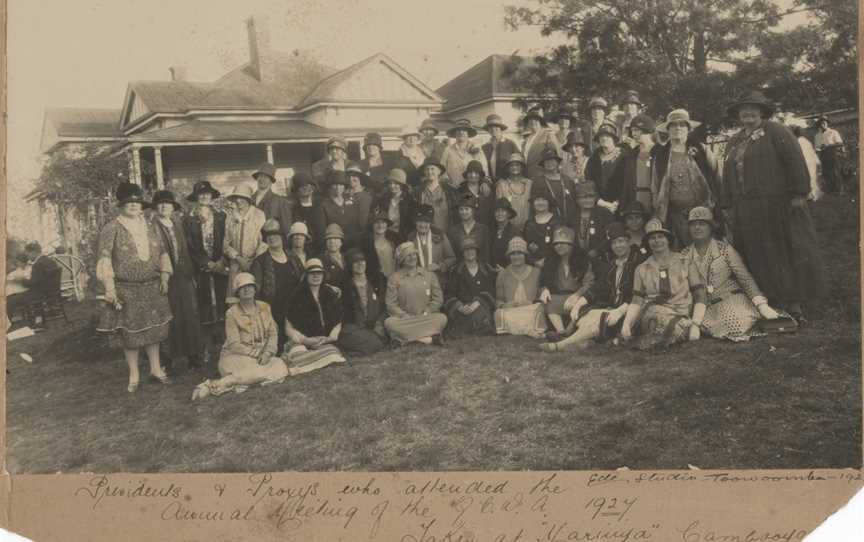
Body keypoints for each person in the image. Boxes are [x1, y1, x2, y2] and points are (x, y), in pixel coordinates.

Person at [722, 90, 825, 321]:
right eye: (743, 109)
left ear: (762, 112)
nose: (747, 112)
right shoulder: (735, 140)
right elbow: (727, 173)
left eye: (753, 108)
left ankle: (792, 302)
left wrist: (799, 193)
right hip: (746, 207)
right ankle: (765, 299)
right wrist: (727, 202)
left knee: (781, 251)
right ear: (738, 114)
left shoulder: (777, 132)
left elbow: (795, 161)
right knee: (755, 251)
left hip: (776, 204)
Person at [96, 182, 173, 393]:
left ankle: (156, 370)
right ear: (121, 206)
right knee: (130, 334)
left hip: (152, 286)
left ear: (142, 205)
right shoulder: (111, 228)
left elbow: (163, 252)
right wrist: (110, 289)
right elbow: (104, 259)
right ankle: (134, 375)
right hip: (126, 289)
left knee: (154, 330)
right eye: (129, 203)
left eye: (137, 202)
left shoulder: (149, 226)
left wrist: (165, 276)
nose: (133, 206)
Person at [538, 221, 643, 352]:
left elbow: (637, 295)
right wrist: (579, 303)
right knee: (587, 316)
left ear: (628, 242)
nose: (618, 246)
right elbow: (599, 287)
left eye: (621, 241)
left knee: (598, 321)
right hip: (611, 307)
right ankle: (580, 341)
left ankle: (560, 345)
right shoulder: (612, 265)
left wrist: (620, 310)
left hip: (630, 310)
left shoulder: (638, 264)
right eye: (614, 243)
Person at [681, 207, 781, 341]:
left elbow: (744, 277)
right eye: (693, 224)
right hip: (704, 305)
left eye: (702, 224)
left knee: (733, 323)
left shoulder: (724, 249)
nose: (697, 228)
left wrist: (761, 305)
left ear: (711, 227)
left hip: (730, 297)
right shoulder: (685, 254)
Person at [190, 273, 289, 400]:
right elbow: (234, 344)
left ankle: (229, 382)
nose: (247, 290)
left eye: (249, 286)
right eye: (242, 287)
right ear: (237, 292)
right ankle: (219, 383)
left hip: (262, 356)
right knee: (259, 369)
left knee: (280, 366)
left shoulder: (265, 307)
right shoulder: (231, 313)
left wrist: (268, 353)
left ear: (255, 289)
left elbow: (273, 334)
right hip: (237, 356)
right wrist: (258, 354)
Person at [618, 218, 707, 351]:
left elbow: (700, 294)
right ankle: (660, 337)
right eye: (652, 238)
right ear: (648, 242)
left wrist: (696, 324)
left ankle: (649, 340)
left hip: (682, 312)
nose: (657, 241)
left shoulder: (685, 261)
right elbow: (637, 300)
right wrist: (626, 324)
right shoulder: (642, 268)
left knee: (680, 328)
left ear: (668, 240)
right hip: (652, 312)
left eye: (661, 237)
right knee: (659, 318)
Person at [651, 109, 719, 249]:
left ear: (688, 129)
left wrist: (719, 206)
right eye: (673, 125)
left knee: (705, 250)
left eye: (682, 125)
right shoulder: (661, 155)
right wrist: (658, 213)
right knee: (681, 253)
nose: (678, 128)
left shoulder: (701, 149)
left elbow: (717, 175)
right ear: (668, 129)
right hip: (676, 216)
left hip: (703, 212)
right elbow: (655, 186)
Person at [152, 190, 203, 370]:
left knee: (189, 314)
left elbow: (187, 250)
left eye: (168, 203)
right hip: (164, 278)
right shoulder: (151, 226)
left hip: (183, 276)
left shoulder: (177, 224)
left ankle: (193, 355)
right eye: (160, 203)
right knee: (168, 317)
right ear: (155, 207)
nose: (164, 206)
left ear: (173, 207)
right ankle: (166, 361)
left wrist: (191, 274)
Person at [185, 181, 229, 362]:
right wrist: (206, 263)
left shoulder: (221, 216)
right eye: (201, 194)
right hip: (201, 269)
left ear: (212, 196)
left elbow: (228, 239)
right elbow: (190, 246)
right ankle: (206, 347)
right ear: (196, 197)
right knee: (203, 305)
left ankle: (224, 346)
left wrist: (221, 262)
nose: (204, 197)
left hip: (221, 266)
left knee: (222, 303)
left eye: (207, 194)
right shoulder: (188, 219)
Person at [283, 259, 347, 373]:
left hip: (324, 340)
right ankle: (309, 359)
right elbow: (289, 327)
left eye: (319, 273)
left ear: (323, 275)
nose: (316, 276)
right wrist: (306, 340)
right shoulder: (296, 295)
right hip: (303, 340)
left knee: (333, 353)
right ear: (306, 276)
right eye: (312, 273)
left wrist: (330, 337)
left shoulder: (329, 293)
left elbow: (338, 320)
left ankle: (310, 360)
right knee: (297, 351)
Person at [384, 242, 448, 346]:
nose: (412, 258)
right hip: (405, 320)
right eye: (408, 256)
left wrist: (428, 310)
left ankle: (405, 340)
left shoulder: (429, 275)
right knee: (389, 323)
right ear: (402, 260)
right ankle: (428, 339)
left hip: (426, 317)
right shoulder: (394, 278)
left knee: (442, 318)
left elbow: (438, 299)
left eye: (413, 254)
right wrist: (403, 315)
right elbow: (391, 304)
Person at [538, 226, 595, 339]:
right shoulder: (550, 261)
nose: (559, 246)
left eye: (564, 243)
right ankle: (561, 332)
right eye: (557, 243)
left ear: (572, 245)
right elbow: (543, 279)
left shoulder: (583, 261)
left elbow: (589, 283)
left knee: (583, 305)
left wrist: (577, 295)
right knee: (548, 302)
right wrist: (544, 289)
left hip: (577, 297)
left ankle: (568, 332)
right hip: (560, 297)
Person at [250, 219, 297, 352]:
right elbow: (257, 292)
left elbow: (304, 280)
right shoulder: (260, 261)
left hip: (294, 307)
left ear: (282, 238)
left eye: (275, 235)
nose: (272, 238)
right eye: (269, 236)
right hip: (273, 310)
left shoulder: (293, 257)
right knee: (279, 347)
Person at [443, 238, 497, 338]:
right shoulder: (455, 271)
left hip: (480, 306)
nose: (469, 252)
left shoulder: (486, 269)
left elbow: (491, 291)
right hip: (463, 308)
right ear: (462, 253)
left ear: (476, 251)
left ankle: (474, 328)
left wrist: (477, 302)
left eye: (472, 249)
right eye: (466, 250)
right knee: (463, 317)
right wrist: (460, 306)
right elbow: (449, 294)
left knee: (480, 314)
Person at [493, 236, 547, 338]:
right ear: (509, 256)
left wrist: (530, 303)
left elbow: (542, 297)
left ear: (525, 255)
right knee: (498, 314)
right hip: (511, 311)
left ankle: (517, 330)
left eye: (519, 253)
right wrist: (505, 305)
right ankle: (528, 330)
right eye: (513, 254)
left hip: (530, 309)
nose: (516, 256)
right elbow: (498, 300)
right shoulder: (503, 274)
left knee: (539, 309)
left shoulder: (536, 272)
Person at [339, 248, 388, 356]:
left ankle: (354, 349)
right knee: (376, 343)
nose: (360, 264)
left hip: (375, 326)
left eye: (362, 260)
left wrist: (379, 323)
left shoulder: (376, 282)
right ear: (350, 266)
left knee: (378, 341)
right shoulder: (345, 286)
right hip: (354, 328)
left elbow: (384, 307)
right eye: (355, 262)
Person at [223, 184, 267, 301]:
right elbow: (225, 243)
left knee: (254, 296)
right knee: (235, 297)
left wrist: (253, 260)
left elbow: (263, 241)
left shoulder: (259, 215)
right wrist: (238, 258)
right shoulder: (230, 217)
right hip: (236, 263)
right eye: (236, 197)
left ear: (248, 199)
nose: (238, 200)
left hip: (254, 263)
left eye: (242, 197)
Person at [611, 114, 657, 214]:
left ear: (647, 130)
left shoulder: (660, 152)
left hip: (656, 200)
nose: (633, 133)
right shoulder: (630, 155)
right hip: (634, 200)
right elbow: (622, 183)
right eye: (632, 130)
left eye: (637, 130)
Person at [408, 204, 456, 283]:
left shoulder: (440, 236)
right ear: (415, 222)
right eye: (420, 221)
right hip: (417, 282)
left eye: (426, 221)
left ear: (430, 223)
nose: (423, 225)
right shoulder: (410, 239)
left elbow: (452, 258)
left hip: (438, 280)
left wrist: (439, 266)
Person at [585, 122, 626, 212]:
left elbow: (628, 182)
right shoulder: (593, 159)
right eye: (601, 136)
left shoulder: (624, 156)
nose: (604, 138)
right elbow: (589, 183)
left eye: (607, 136)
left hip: (620, 205)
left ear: (614, 139)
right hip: (599, 205)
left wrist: (616, 203)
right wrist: (602, 203)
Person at [413, 156, 459, 233]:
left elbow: (456, 214)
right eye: (427, 169)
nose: (429, 172)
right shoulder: (417, 192)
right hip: (424, 235)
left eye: (432, 169)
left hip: (445, 236)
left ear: (439, 171)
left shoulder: (450, 191)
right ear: (424, 172)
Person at [534, 148, 579, 226]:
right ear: (543, 164)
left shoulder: (567, 180)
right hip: (549, 222)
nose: (550, 163)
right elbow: (535, 204)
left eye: (552, 160)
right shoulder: (538, 182)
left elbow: (574, 200)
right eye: (547, 161)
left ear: (558, 162)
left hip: (570, 221)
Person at [320, 170, 365, 247]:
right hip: (335, 246)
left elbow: (357, 226)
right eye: (335, 185)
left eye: (341, 185)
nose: (338, 188)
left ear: (344, 187)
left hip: (353, 245)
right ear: (330, 187)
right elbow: (322, 231)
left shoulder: (351, 202)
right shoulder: (324, 205)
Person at [571, 181, 614, 259]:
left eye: (591, 196)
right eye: (583, 197)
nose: (588, 200)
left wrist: (597, 251)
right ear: (576, 199)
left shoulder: (605, 214)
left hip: (601, 258)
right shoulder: (572, 216)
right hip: (577, 259)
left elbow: (611, 236)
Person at [440, 119, 488, 187]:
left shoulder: (477, 149)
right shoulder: (448, 150)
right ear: (455, 133)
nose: (461, 132)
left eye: (464, 130)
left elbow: (484, 169)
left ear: (468, 133)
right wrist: (448, 182)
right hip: (454, 189)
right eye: (458, 130)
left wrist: (483, 183)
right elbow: (442, 170)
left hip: (473, 189)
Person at [251, 162, 293, 238]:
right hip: (251, 244)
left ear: (271, 180)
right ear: (257, 178)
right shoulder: (249, 200)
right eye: (260, 176)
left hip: (270, 243)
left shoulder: (280, 201)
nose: (262, 179)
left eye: (266, 177)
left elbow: (286, 228)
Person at [448, 191, 492, 264]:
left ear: (473, 210)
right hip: (459, 271)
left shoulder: (483, 229)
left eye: (466, 209)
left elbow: (487, 255)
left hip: (479, 270)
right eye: (461, 209)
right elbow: (452, 256)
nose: (464, 212)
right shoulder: (453, 231)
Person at [522, 188, 562, 266]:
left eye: (544, 200)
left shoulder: (557, 222)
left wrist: (547, 261)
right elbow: (525, 247)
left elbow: (560, 246)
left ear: (549, 203)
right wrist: (534, 262)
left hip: (553, 264)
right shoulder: (529, 223)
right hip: (532, 266)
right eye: (537, 200)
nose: (540, 203)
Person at [372, 168, 415, 240]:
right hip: (385, 235)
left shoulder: (409, 201)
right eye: (390, 183)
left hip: (402, 237)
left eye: (396, 183)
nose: (392, 186)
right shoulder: (384, 199)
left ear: (402, 185)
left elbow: (410, 224)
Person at [495, 152, 534, 231]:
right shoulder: (502, 185)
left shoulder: (530, 184)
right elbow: (498, 210)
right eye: (512, 165)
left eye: (517, 165)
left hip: (528, 228)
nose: (514, 167)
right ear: (508, 168)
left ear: (522, 167)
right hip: (508, 229)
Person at [358, 211, 401, 281]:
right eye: (377, 222)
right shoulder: (367, 245)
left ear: (387, 225)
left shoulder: (393, 242)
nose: (380, 225)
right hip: (376, 281)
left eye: (383, 222)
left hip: (393, 279)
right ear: (372, 225)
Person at [520, 107, 561, 181]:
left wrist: (554, 171)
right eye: (530, 120)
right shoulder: (526, 139)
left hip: (543, 174)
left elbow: (556, 153)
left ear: (540, 122)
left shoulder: (547, 134)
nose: (533, 122)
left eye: (536, 120)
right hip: (528, 174)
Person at [291, 172, 327, 251]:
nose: (305, 188)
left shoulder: (321, 206)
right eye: (301, 186)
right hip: (302, 249)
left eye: (308, 185)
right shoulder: (293, 209)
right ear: (296, 190)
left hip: (322, 249)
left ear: (312, 188)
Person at [481, 114, 520, 182]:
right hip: (490, 183)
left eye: (496, 126)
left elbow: (519, 163)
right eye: (490, 127)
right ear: (488, 130)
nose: (493, 129)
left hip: (508, 182)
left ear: (501, 128)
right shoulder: (485, 147)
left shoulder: (510, 144)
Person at [813, 116, 846, 194]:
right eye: (820, 123)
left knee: (835, 171)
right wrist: (818, 150)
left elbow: (840, 143)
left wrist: (828, 146)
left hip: (833, 154)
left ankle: (839, 190)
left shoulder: (833, 132)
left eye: (824, 123)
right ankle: (831, 189)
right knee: (826, 172)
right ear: (819, 125)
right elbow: (817, 147)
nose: (822, 125)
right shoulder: (817, 136)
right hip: (823, 155)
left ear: (827, 123)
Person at [457, 160, 494, 227]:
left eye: (476, 173)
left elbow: (491, 210)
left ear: (480, 175)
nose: (473, 175)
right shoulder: (461, 190)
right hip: (467, 229)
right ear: (467, 174)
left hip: (485, 228)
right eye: (470, 172)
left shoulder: (486, 189)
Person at [791, 125, 823, 201]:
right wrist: (817, 161)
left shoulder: (796, 141)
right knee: (812, 177)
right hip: (810, 162)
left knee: (807, 178)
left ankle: (810, 195)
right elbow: (812, 152)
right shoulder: (806, 141)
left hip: (805, 162)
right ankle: (812, 194)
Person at [359, 132, 390, 197]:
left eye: (374, 145)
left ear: (379, 147)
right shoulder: (360, 164)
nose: (371, 147)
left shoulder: (389, 162)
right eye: (368, 145)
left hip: (386, 197)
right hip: (368, 198)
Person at [491, 198, 518, 271]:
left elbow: (518, 257)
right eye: (497, 211)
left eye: (503, 211)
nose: (499, 214)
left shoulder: (515, 232)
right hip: (491, 272)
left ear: (509, 214)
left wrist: (506, 270)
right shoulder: (491, 231)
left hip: (510, 272)